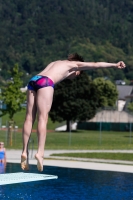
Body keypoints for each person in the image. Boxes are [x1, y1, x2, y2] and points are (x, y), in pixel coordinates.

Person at [21, 53, 126, 171]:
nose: (75, 77)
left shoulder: (55, 62)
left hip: (34, 80)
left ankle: (24, 151)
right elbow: (96, 65)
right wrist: (114, 65)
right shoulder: (74, 65)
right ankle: (40, 153)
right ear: (77, 70)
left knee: (29, 118)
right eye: (78, 74)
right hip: (45, 82)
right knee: (43, 118)